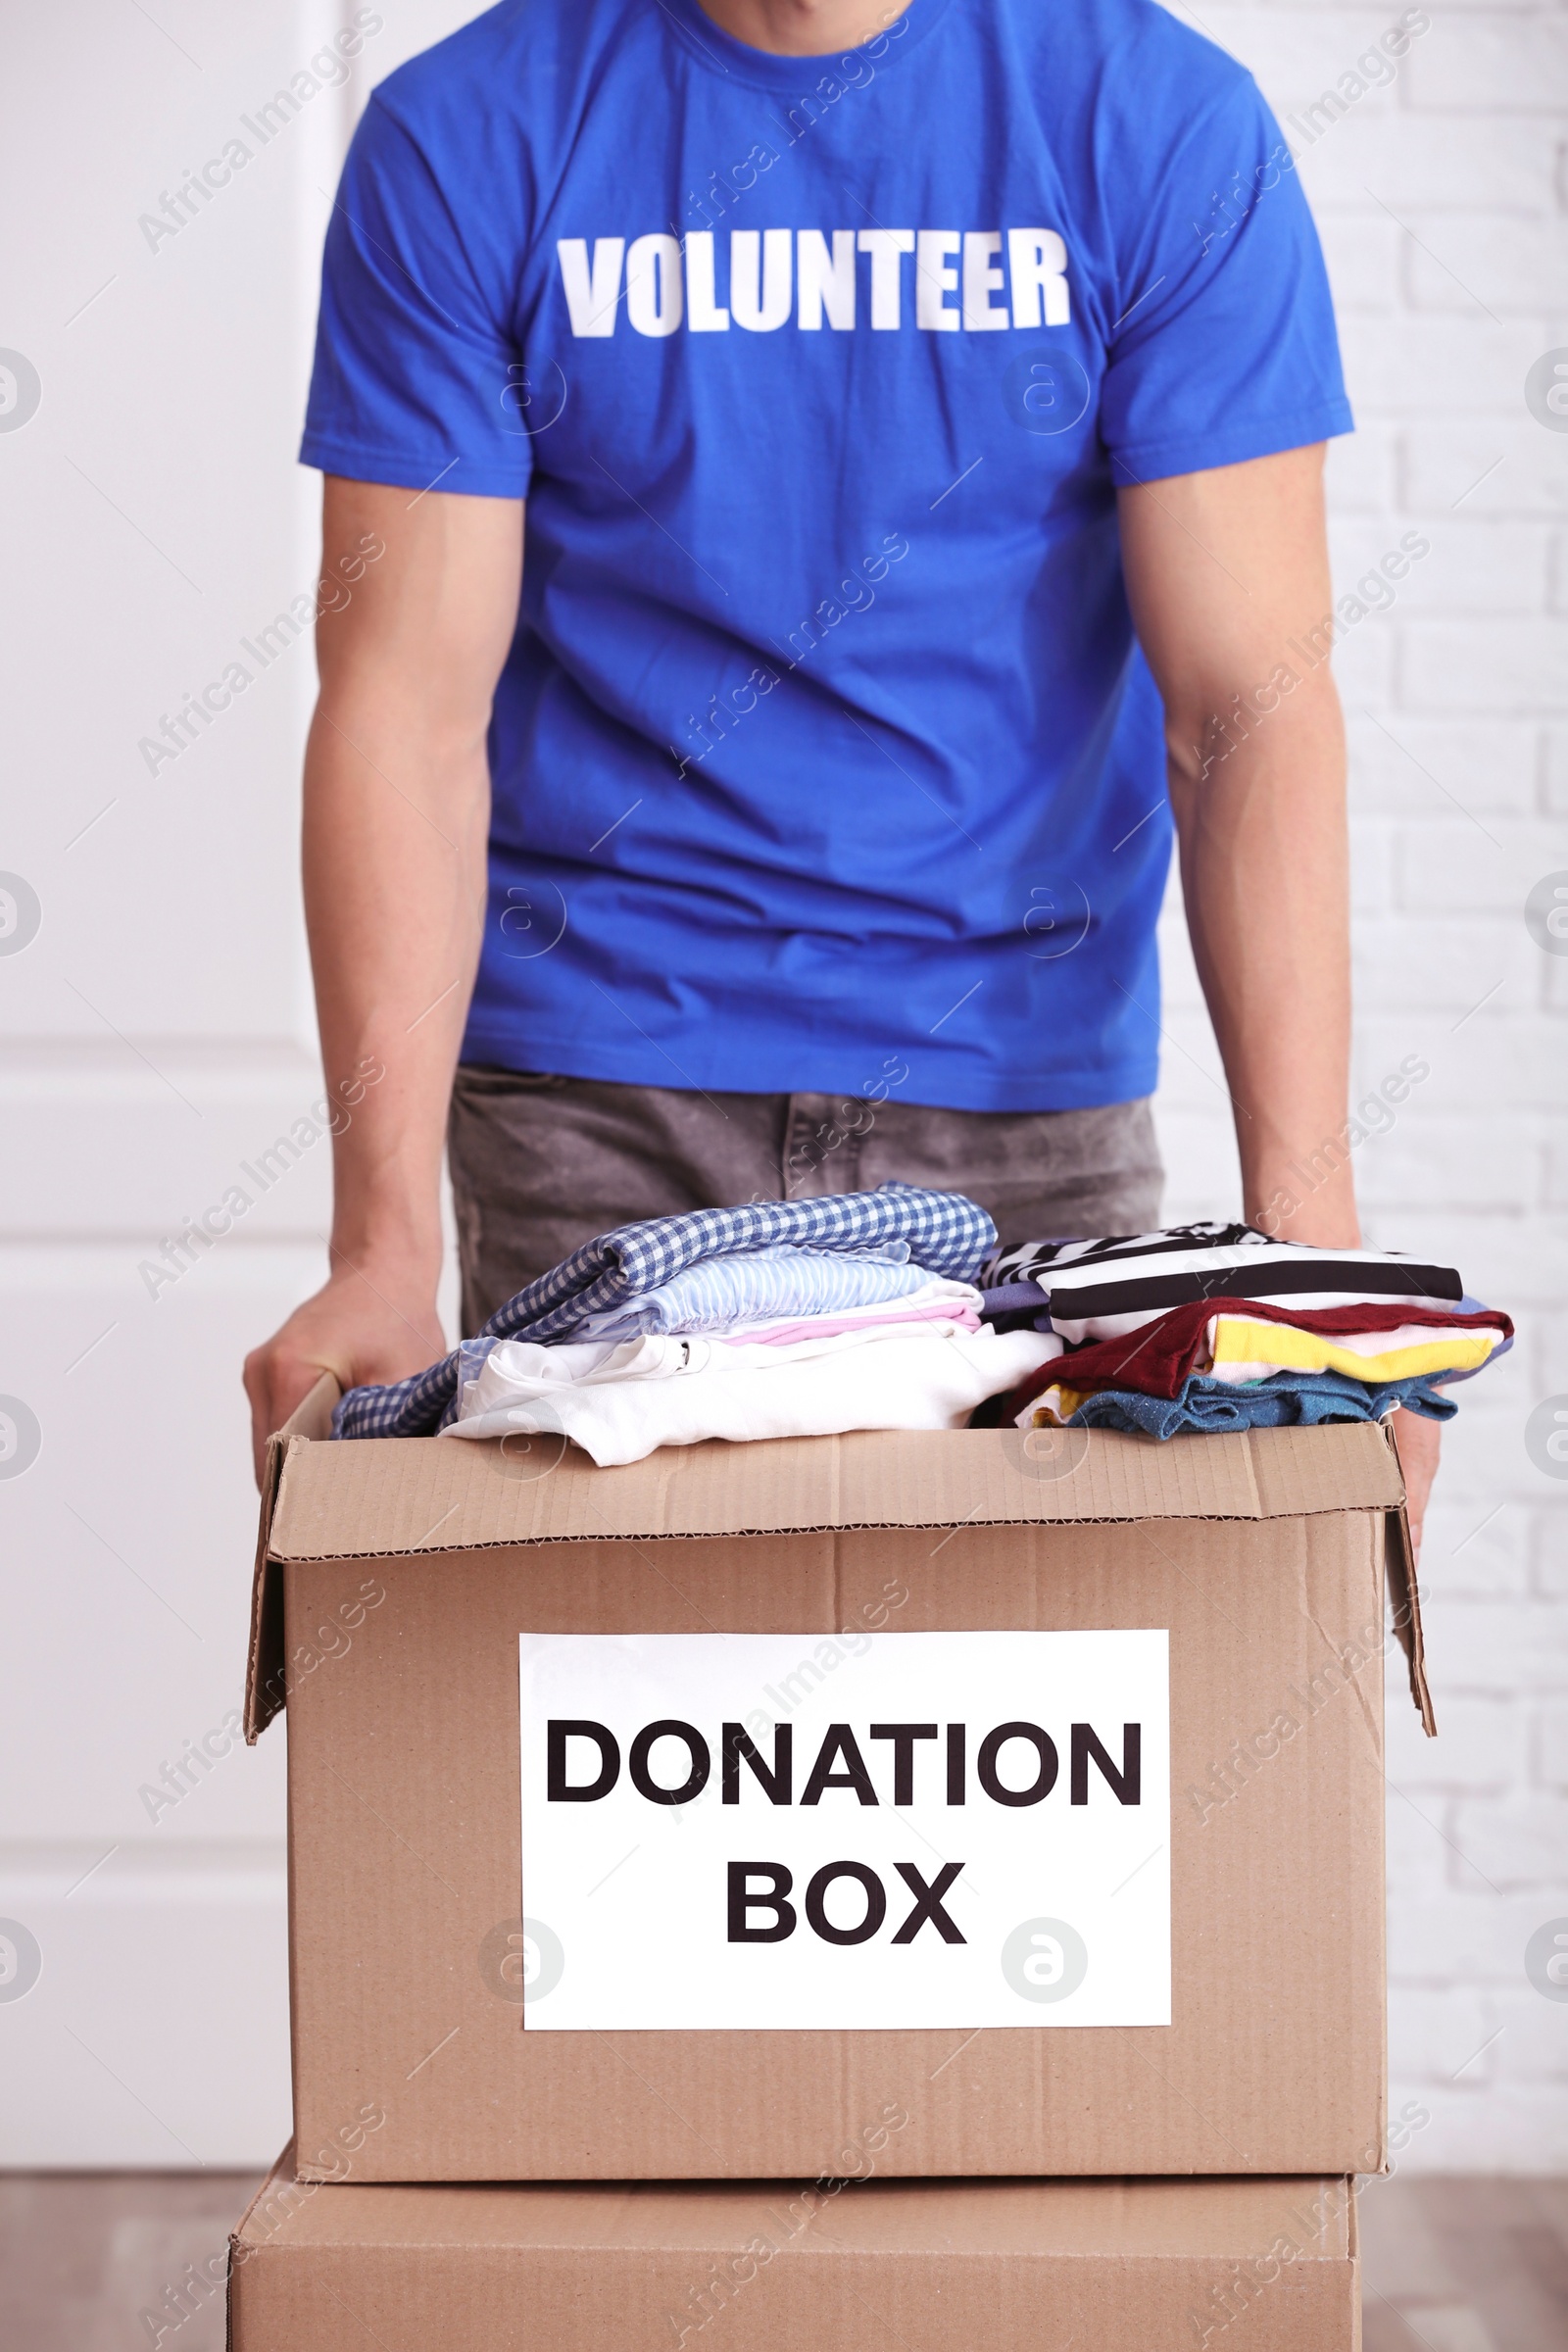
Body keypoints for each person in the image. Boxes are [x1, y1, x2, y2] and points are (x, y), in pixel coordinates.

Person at [243, 0, 1440, 1543]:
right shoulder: (469, 135)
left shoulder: (1153, 123)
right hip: (599, 1106)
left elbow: (1245, 713)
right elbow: (404, 714)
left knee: (1025, 1738)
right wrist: (381, 1251)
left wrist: (1311, 1259)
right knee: (607, 1736)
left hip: (1020, 1105)